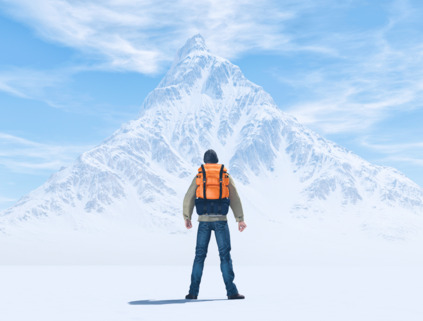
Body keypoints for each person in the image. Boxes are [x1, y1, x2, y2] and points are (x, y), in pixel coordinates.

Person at [183, 149, 247, 300]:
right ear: (217, 161)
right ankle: (231, 292)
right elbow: (234, 196)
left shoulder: (200, 175)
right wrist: (240, 218)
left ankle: (193, 292)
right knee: (225, 256)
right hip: (221, 221)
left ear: (205, 162)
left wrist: (187, 217)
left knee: (199, 256)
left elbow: (189, 196)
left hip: (203, 221)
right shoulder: (224, 175)